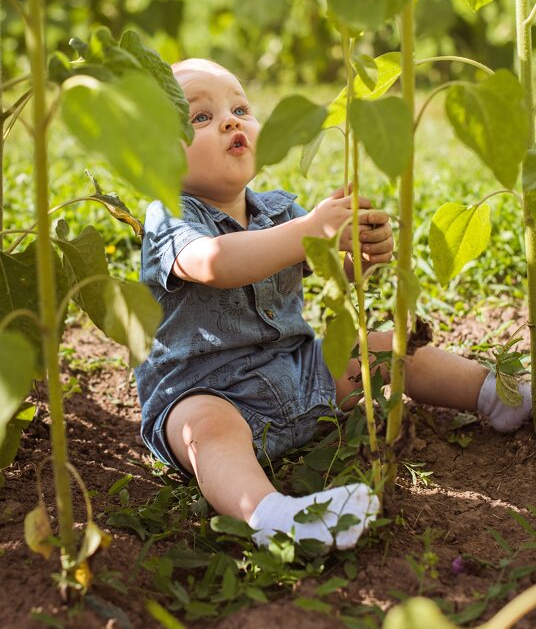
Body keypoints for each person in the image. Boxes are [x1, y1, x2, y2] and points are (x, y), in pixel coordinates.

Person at [135, 58, 532, 551]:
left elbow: (331, 271)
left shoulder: (279, 210)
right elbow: (215, 263)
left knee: (385, 348)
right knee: (207, 430)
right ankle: (273, 515)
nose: (231, 121)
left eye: (240, 107)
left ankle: (503, 395)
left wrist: (360, 256)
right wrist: (308, 231)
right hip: (206, 393)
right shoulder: (167, 217)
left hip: (299, 374)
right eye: (200, 117)